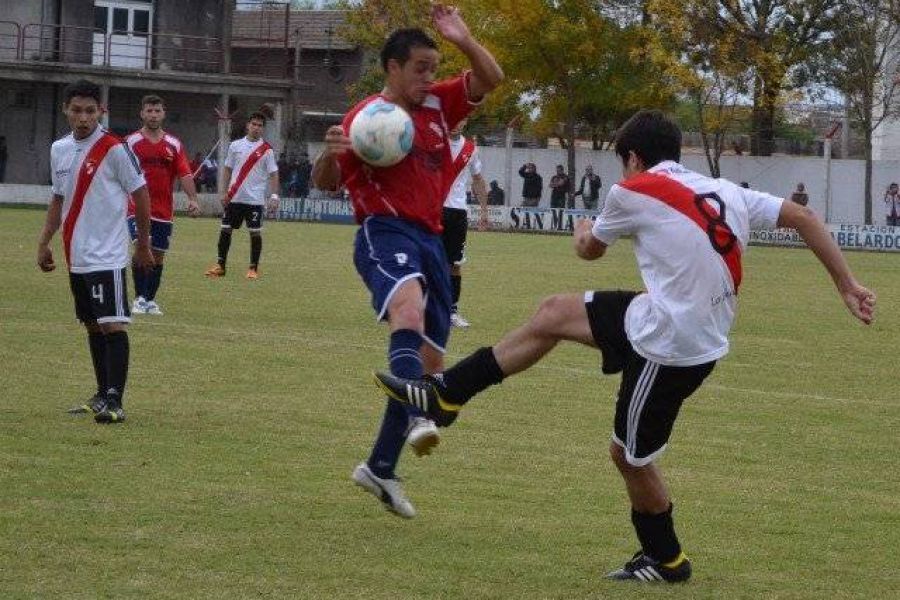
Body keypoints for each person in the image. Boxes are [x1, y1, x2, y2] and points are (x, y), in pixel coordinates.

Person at [374, 109, 876, 580]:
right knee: (554, 312)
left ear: (633, 157)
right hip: (674, 321)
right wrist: (848, 286)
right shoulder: (724, 188)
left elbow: (590, 252)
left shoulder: (630, 190)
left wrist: (583, 231)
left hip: (671, 346)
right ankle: (447, 393)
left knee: (629, 457)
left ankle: (667, 559)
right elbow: (807, 219)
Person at [311, 5, 503, 518]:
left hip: (432, 241)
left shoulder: (440, 106)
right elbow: (326, 183)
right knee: (409, 315)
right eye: (419, 67)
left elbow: (492, 77)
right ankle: (420, 417)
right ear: (391, 68)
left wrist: (462, 38)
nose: (428, 77)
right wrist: (330, 152)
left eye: (432, 68)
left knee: (431, 362)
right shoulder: (364, 121)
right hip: (384, 230)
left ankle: (379, 468)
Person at [37, 79, 153, 424]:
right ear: (66, 111)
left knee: (112, 325)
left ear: (100, 111)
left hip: (109, 254)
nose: (83, 117)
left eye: (90, 111)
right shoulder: (58, 148)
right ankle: (101, 395)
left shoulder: (114, 148)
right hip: (77, 254)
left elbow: (141, 193)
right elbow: (58, 198)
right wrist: (44, 241)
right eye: (77, 110)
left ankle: (116, 400)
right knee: (91, 325)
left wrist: (142, 245)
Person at [125, 94, 200, 316]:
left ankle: (149, 300)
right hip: (136, 208)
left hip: (163, 211)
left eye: (157, 111)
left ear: (163, 114)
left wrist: (193, 199)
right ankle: (139, 298)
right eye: (149, 110)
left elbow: (184, 173)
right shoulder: (130, 142)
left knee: (158, 255)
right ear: (142, 114)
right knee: (141, 246)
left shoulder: (174, 145)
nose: (153, 114)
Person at [204, 111, 279, 280]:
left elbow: (274, 173)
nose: (256, 128)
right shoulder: (235, 146)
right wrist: (223, 191)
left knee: (255, 232)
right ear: (248, 125)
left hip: (255, 200)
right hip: (234, 198)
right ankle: (220, 266)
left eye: (260, 126)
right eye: (254, 124)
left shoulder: (267, 150)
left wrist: (274, 195)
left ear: (263, 129)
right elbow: (227, 169)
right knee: (225, 230)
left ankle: (253, 268)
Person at [442, 120, 489, 329]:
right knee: (424, 259)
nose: (456, 122)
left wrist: (484, 210)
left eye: (460, 118)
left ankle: (451, 312)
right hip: (431, 209)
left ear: (466, 121)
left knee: (455, 264)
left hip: (457, 213)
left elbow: (478, 179)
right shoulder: (433, 142)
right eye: (454, 116)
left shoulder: (470, 149)